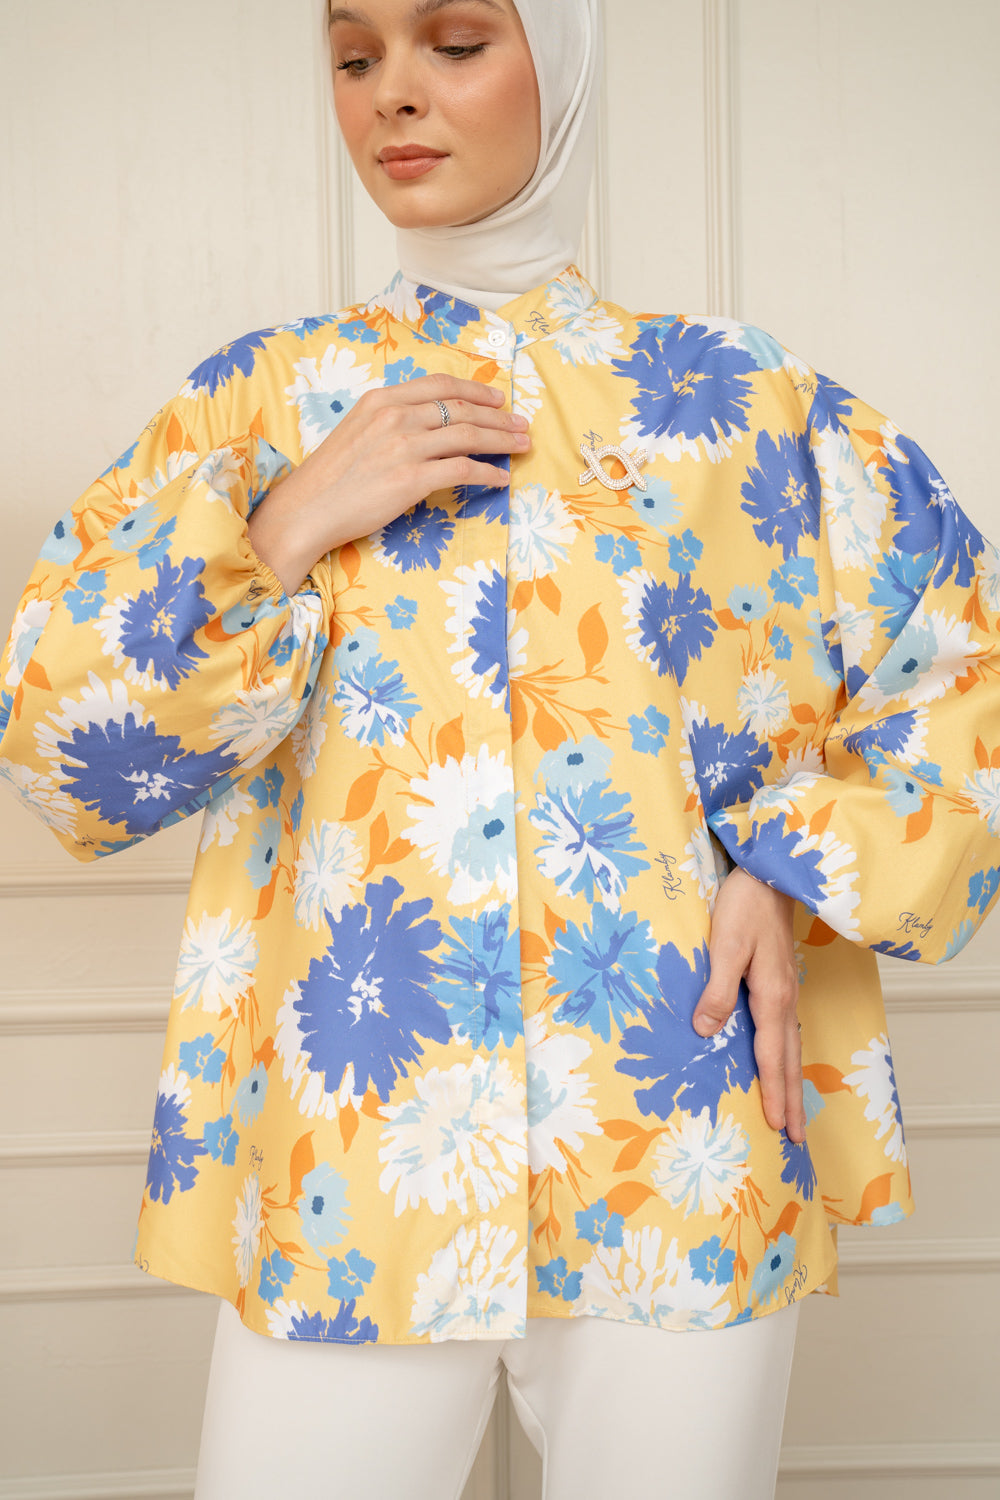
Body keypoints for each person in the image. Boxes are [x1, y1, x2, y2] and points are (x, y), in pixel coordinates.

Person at [1, 0, 998, 1495]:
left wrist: (787, 868)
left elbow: (963, 667)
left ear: (565, 61)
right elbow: (63, 740)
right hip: (354, 1139)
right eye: (354, 57)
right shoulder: (262, 400)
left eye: (454, 42)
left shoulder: (746, 402)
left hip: (679, 1118)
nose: (392, 94)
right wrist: (287, 521)